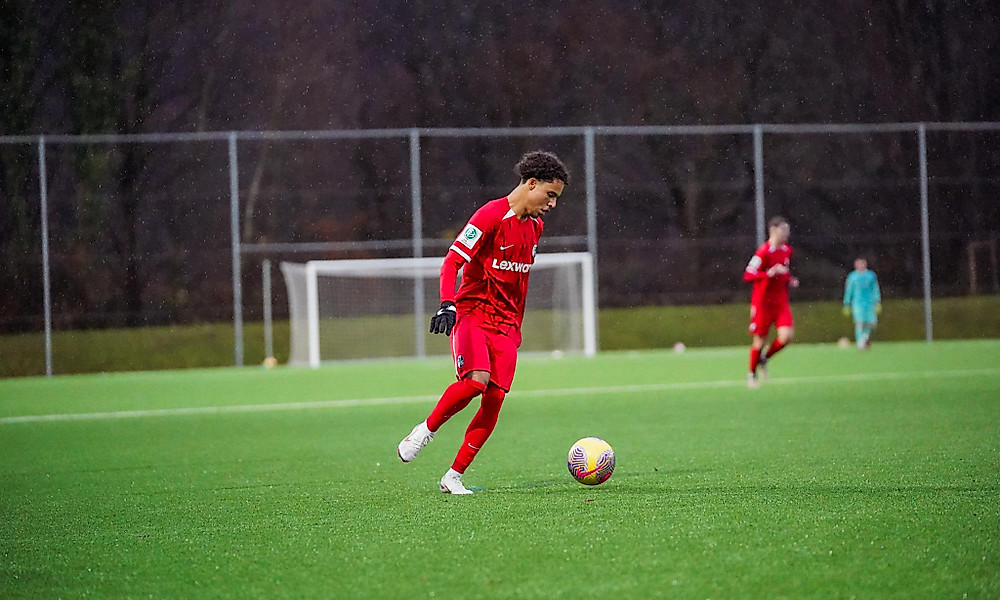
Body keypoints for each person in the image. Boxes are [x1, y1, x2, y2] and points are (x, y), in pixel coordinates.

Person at [396, 150, 569, 494]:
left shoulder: (536, 227)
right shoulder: (490, 215)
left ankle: (453, 476)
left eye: (556, 198)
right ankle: (425, 430)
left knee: (494, 400)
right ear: (531, 183)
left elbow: (518, 281)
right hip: (474, 313)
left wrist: (514, 326)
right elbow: (452, 262)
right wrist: (447, 304)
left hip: (507, 326)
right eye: (549, 194)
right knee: (476, 382)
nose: (552, 204)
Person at [743, 216, 799, 388]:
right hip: (763, 303)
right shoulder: (763, 252)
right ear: (773, 230)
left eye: (788, 229)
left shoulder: (787, 250)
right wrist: (768, 273)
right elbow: (748, 274)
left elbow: (783, 272)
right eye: (784, 229)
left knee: (786, 337)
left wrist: (790, 280)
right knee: (759, 342)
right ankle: (751, 374)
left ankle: (764, 358)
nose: (787, 233)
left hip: (780, 302)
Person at [842, 257, 882, 350]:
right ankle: (860, 342)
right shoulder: (852, 276)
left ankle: (865, 338)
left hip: (870, 303)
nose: (860, 265)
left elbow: (875, 289)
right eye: (858, 264)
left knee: (871, 324)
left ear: (865, 264)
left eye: (862, 263)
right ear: (855, 265)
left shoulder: (871, 275)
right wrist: (846, 303)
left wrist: (877, 301)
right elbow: (849, 290)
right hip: (857, 303)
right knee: (859, 323)